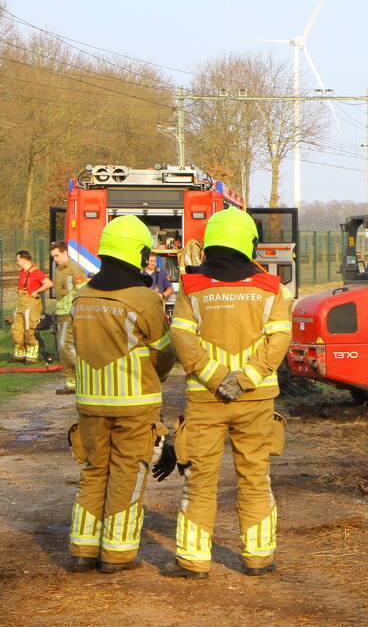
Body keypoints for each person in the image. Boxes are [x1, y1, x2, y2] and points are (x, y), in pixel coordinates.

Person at [163, 207, 293, 579]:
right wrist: (246, 378)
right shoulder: (272, 288)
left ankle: (192, 561)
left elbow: (182, 336)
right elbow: (280, 338)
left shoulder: (192, 287)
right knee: (255, 476)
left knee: (199, 480)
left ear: (211, 244)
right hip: (256, 400)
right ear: (248, 243)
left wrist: (215, 377)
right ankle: (258, 557)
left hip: (206, 400)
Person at [66, 215, 176, 573]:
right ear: (136, 252)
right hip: (135, 405)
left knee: (94, 471)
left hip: (90, 403)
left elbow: (69, 349)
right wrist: (151, 375)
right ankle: (116, 553)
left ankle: (82, 549)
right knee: (128, 473)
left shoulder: (80, 297)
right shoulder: (144, 299)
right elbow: (163, 353)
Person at [49, 242, 89, 394]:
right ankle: (72, 382)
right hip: (61, 313)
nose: (55, 259)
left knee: (66, 346)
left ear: (65, 253)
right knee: (62, 348)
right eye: (53, 257)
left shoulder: (75, 269)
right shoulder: (58, 269)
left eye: (57, 256)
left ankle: (85, 376)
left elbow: (81, 293)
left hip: (70, 314)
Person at [12, 250, 53, 363]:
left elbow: (49, 283)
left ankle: (31, 354)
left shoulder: (36, 272)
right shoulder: (23, 272)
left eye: (18, 260)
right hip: (21, 304)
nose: (17, 262)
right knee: (17, 330)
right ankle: (20, 353)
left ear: (24, 259)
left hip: (31, 304)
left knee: (29, 329)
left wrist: (37, 291)